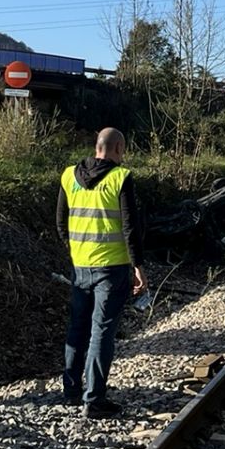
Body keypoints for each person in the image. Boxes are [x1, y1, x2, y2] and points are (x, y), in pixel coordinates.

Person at [54, 127, 148, 419]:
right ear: (118, 148)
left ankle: (71, 391)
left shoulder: (69, 176)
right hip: (113, 267)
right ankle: (94, 399)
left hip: (80, 266)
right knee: (102, 331)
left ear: (97, 146)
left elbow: (60, 223)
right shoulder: (121, 178)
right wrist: (138, 266)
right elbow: (130, 227)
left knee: (77, 327)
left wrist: (76, 251)